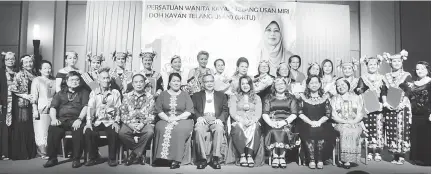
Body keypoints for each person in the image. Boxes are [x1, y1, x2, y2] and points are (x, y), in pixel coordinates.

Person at [43, 71, 89, 168]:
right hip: (62, 120)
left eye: (77, 80)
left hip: (76, 119)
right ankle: (52, 158)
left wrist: (80, 119)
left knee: (79, 130)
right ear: (67, 81)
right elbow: (53, 107)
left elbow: (86, 107)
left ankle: (76, 159)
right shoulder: (60, 93)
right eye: (72, 80)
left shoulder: (84, 92)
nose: (75, 82)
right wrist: (54, 119)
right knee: (53, 129)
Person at [153, 73, 194, 169]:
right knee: (161, 128)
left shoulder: (185, 95)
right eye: (174, 81)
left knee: (179, 129)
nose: (176, 83)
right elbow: (159, 110)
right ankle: (161, 158)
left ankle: (176, 159)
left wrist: (175, 119)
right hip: (165, 118)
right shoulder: (163, 94)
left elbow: (189, 110)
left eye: (178, 81)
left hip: (183, 119)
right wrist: (168, 119)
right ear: (169, 83)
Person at [83, 67, 121, 167]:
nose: (106, 80)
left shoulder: (115, 93)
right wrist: (88, 122)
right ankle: (93, 157)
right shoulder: (94, 93)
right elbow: (90, 109)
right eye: (103, 78)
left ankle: (112, 158)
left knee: (113, 131)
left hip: (110, 121)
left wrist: (116, 122)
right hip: (98, 121)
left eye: (107, 78)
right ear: (98, 80)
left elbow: (118, 109)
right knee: (89, 131)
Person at [354, 55, 387, 162]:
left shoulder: (382, 78)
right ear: (366, 66)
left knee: (379, 129)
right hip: (367, 106)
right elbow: (360, 91)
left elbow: (384, 92)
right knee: (368, 128)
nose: (372, 66)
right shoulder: (363, 78)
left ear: (378, 65)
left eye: (374, 64)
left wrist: (383, 103)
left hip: (379, 107)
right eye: (370, 64)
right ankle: (368, 150)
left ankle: (377, 151)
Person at [192, 74, 228, 169]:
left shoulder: (221, 95)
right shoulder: (196, 95)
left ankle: (215, 159)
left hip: (215, 119)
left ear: (214, 82)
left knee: (219, 129)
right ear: (203, 83)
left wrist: (220, 119)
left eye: (211, 81)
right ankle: (202, 159)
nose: (209, 83)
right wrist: (198, 117)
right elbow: (193, 109)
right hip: (203, 119)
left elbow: (225, 110)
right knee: (198, 130)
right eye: (206, 82)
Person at [382, 50, 412, 165]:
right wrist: (385, 102)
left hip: (402, 106)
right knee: (391, 129)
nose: (396, 63)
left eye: (398, 61)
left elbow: (408, 91)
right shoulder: (386, 76)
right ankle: (394, 154)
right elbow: (383, 91)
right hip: (390, 105)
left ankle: (401, 155)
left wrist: (402, 103)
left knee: (402, 129)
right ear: (390, 63)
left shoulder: (406, 75)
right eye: (394, 61)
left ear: (402, 62)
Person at [118, 74, 156, 166]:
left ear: (144, 84)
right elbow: (123, 113)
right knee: (122, 133)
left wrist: (142, 124)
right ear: (133, 84)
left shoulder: (150, 97)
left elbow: (152, 114)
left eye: (141, 82)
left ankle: (133, 154)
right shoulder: (126, 96)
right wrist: (130, 124)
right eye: (136, 82)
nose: (138, 84)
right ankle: (140, 152)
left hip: (145, 123)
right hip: (130, 123)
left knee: (149, 132)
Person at [262, 77, 299, 169]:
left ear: (286, 85)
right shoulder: (268, 97)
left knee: (284, 130)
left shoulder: (291, 98)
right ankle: (275, 156)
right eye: (277, 84)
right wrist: (270, 123)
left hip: (287, 122)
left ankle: (282, 156)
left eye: (282, 84)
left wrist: (284, 122)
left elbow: (294, 114)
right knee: (274, 129)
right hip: (272, 121)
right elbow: (265, 113)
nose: (280, 86)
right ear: (274, 86)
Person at [297, 75, 332, 169]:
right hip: (306, 123)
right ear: (307, 85)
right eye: (311, 83)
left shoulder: (325, 97)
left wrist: (319, 122)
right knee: (309, 130)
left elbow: (328, 114)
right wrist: (310, 122)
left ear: (320, 84)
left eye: (316, 82)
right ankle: (311, 159)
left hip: (322, 123)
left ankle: (320, 159)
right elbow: (300, 113)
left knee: (322, 130)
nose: (314, 85)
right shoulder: (302, 97)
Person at [228, 76, 263, 167]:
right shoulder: (234, 97)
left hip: (252, 120)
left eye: (247, 83)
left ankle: (250, 155)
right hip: (239, 119)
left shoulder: (257, 97)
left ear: (250, 85)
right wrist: (242, 120)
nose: (245, 85)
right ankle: (242, 155)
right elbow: (232, 112)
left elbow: (258, 112)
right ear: (240, 85)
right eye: (242, 84)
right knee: (238, 127)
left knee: (255, 127)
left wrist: (253, 121)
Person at [332, 78, 364, 169]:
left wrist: (353, 122)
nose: (341, 87)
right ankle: (346, 160)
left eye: (343, 84)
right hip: (339, 123)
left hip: (355, 123)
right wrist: (345, 122)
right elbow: (333, 115)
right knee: (345, 130)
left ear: (348, 85)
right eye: (338, 86)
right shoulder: (334, 99)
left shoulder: (356, 97)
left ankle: (353, 158)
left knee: (354, 130)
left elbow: (360, 113)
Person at [9, 55, 37, 160]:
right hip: (23, 103)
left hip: (33, 103)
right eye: (26, 63)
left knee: (30, 126)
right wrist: (24, 95)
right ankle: (21, 153)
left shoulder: (35, 74)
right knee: (22, 126)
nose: (28, 64)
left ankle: (31, 152)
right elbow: (12, 87)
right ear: (22, 64)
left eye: (30, 62)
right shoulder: (19, 74)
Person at [31, 60, 56, 159]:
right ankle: (42, 152)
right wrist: (35, 109)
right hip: (41, 108)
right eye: (45, 68)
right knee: (41, 131)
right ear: (40, 70)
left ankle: (51, 151)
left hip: (53, 109)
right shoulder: (36, 80)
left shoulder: (54, 80)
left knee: (51, 131)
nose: (47, 70)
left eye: (49, 68)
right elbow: (34, 95)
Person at [408, 61, 431, 166]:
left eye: (422, 69)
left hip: (427, 114)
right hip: (415, 114)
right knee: (415, 136)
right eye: (417, 69)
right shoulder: (413, 83)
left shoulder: (430, 82)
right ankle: (416, 158)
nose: (420, 71)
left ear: (427, 70)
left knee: (426, 136)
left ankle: (426, 160)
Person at [0, 52, 16, 160]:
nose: (10, 61)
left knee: (13, 128)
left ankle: (12, 152)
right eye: (7, 59)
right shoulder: (1, 73)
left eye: (12, 59)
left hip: (15, 104)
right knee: (3, 129)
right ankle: (3, 152)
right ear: (4, 61)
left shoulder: (17, 73)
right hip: (4, 103)